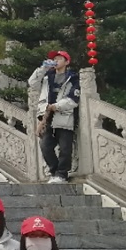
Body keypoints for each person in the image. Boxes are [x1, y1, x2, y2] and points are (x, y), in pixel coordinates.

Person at [29, 50, 81, 183]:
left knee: (65, 148)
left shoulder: (73, 78)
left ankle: (62, 174)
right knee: (45, 146)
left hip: (64, 116)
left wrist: (56, 106)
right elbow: (32, 82)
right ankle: (55, 172)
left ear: (67, 62)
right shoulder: (47, 77)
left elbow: (73, 99)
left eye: (59, 58)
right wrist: (43, 68)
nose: (56, 61)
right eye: (54, 59)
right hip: (47, 117)